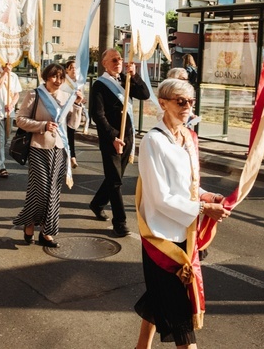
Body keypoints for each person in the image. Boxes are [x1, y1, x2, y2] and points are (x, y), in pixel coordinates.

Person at [134, 79, 230, 349]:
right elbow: (160, 198)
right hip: (161, 239)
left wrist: (209, 197)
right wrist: (202, 208)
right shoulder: (153, 141)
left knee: (159, 298)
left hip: (185, 233)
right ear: (163, 103)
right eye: (180, 101)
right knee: (182, 319)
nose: (187, 106)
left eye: (190, 101)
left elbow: (190, 186)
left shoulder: (187, 138)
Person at [12, 63, 82, 247]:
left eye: (61, 77)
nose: (58, 81)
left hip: (59, 149)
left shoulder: (66, 97)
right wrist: (42, 125)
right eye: (54, 77)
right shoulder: (34, 94)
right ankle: (28, 222)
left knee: (53, 192)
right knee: (40, 189)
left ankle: (46, 232)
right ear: (46, 77)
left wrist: (77, 105)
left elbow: (73, 125)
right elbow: (20, 120)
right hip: (39, 147)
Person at [89, 48, 150, 237]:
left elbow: (145, 94)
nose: (118, 62)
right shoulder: (99, 85)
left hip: (128, 136)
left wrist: (135, 75)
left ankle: (97, 203)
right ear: (104, 64)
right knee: (115, 181)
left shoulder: (126, 79)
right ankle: (120, 222)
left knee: (114, 178)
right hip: (112, 139)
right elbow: (97, 115)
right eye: (114, 60)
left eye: (120, 59)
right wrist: (113, 136)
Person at [0, 62, 21, 178]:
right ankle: (0, 166)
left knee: (5, 138)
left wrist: (12, 104)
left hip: (8, 112)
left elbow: (17, 94)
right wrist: (4, 74)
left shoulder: (14, 76)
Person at [60, 58, 84, 169]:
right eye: (71, 68)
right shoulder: (63, 82)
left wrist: (81, 100)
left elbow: (81, 97)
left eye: (76, 68)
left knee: (71, 133)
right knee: (67, 134)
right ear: (67, 70)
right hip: (64, 112)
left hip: (74, 111)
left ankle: (71, 155)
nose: (74, 70)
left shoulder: (79, 83)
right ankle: (71, 156)